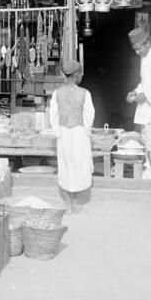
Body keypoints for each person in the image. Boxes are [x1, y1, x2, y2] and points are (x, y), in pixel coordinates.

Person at [48, 60, 95, 213]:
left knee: (66, 165)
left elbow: (53, 115)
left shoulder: (57, 93)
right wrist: (86, 131)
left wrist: (57, 132)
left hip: (64, 134)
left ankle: (68, 203)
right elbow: (89, 115)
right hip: (79, 133)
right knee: (79, 165)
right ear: (76, 75)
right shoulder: (85, 93)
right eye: (80, 73)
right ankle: (76, 201)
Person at [126, 26, 151, 167]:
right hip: (146, 108)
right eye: (135, 49)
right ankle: (149, 171)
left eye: (139, 48)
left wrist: (146, 96)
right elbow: (144, 82)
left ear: (147, 43)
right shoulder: (144, 58)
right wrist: (134, 92)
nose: (137, 52)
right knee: (145, 141)